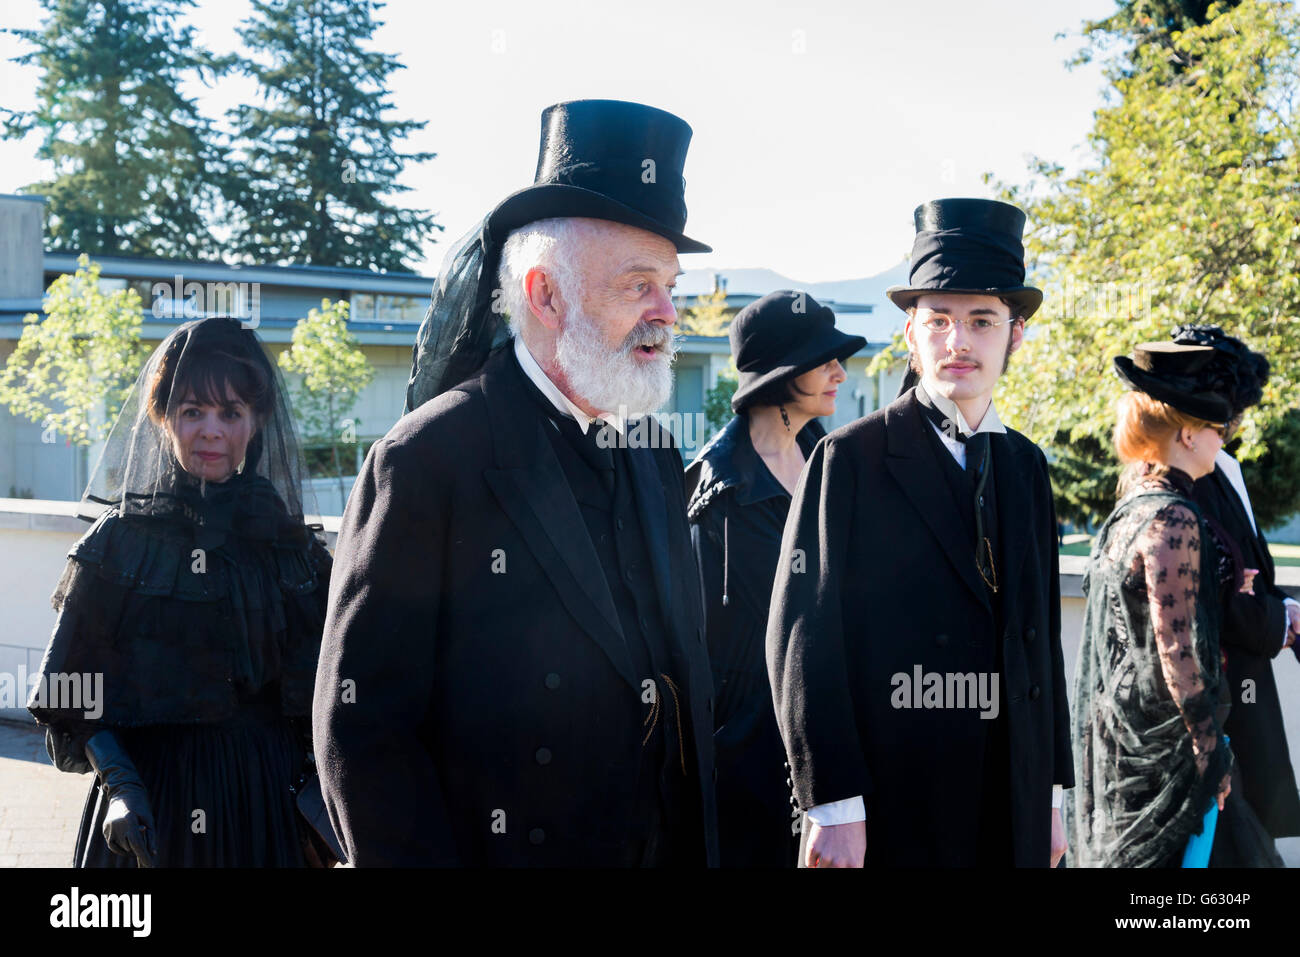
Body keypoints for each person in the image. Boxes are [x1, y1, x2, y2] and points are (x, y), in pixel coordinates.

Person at [313, 99, 720, 866]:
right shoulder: (428, 460)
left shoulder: (657, 453)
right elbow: (363, 735)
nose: (668, 313)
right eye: (640, 285)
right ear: (544, 294)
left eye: (671, 285)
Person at [767, 198, 1072, 867]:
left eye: (982, 320)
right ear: (911, 332)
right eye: (939, 319)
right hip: (895, 804)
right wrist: (834, 804)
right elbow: (803, 637)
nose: (958, 342)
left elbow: (1039, 642)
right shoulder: (849, 459)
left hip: (1010, 800)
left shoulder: (1026, 465)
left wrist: (1049, 796)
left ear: (1015, 335)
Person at [27, 317, 333, 867]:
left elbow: (332, 689)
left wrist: (317, 791)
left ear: (256, 422)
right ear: (163, 419)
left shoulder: (292, 552)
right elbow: (71, 691)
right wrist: (121, 787)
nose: (211, 430)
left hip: (263, 808)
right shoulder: (121, 542)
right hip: (151, 809)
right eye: (193, 411)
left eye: (231, 412)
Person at [685, 290, 864, 867]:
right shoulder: (713, 494)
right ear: (785, 375)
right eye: (824, 360)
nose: (840, 371)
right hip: (745, 769)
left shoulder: (834, 464)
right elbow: (692, 650)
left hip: (833, 754)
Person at [1072, 339, 1244, 868]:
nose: (1224, 442)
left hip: (1121, 741)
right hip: (1158, 755)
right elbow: (1177, 649)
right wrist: (1209, 752)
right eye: (1219, 429)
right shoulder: (1173, 516)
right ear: (1189, 433)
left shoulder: (1132, 508)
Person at [1170, 325, 1300, 866]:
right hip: (1212, 708)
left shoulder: (1224, 465)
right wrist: (1278, 617)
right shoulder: (1182, 484)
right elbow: (1217, 600)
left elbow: (1248, 575)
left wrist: (1281, 609)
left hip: (1242, 695)